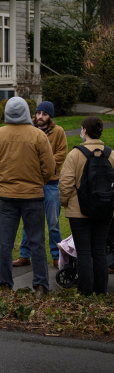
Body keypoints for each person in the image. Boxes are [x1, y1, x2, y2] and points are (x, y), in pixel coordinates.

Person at [0, 96, 55, 297]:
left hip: (6, 196)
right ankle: (40, 285)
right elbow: (49, 168)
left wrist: (5, 178)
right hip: (33, 196)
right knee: (37, 242)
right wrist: (36, 180)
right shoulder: (38, 136)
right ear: (26, 111)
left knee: (5, 243)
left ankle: (4, 283)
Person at [58, 116, 114, 296]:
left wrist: (64, 202)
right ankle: (101, 291)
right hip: (105, 209)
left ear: (84, 131)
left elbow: (65, 184)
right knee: (99, 250)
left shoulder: (75, 154)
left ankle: (86, 292)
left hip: (78, 210)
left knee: (83, 251)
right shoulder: (111, 154)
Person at [12, 100, 68, 269]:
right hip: (32, 184)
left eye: (44, 114)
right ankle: (24, 255)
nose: (40, 117)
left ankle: (57, 256)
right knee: (28, 221)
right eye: (38, 113)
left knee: (53, 223)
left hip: (51, 184)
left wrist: (43, 166)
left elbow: (61, 155)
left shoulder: (58, 132)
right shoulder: (30, 131)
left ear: (50, 116)